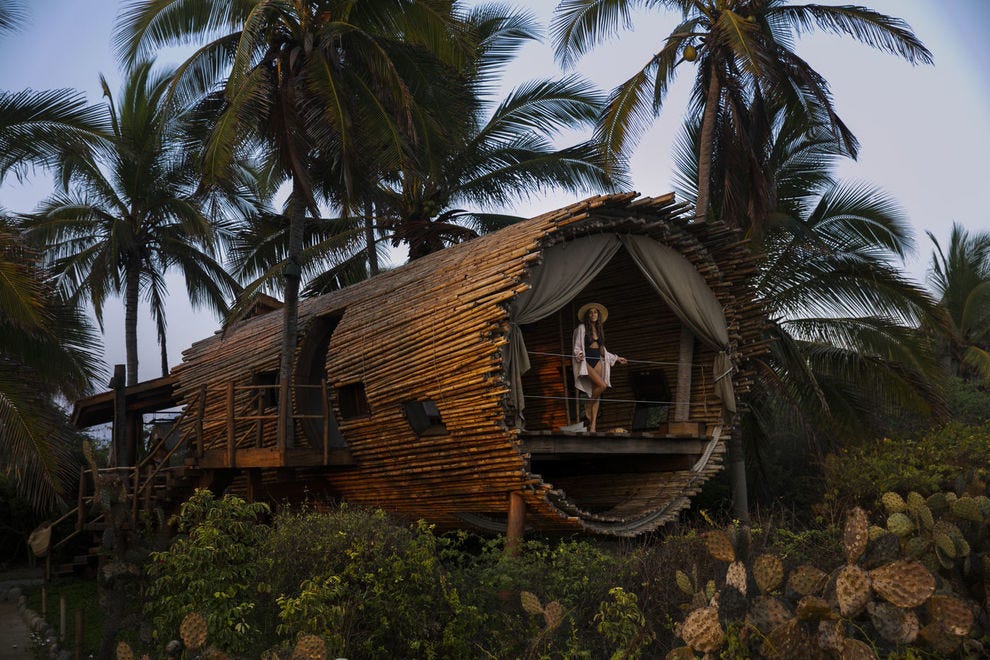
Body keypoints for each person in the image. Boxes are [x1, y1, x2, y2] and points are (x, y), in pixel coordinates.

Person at [572, 303, 627, 432]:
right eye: (591, 313)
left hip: (597, 359)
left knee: (598, 391)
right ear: (587, 316)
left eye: (595, 312)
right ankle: (588, 403)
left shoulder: (599, 329)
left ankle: (593, 426)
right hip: (587, 360)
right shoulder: (581, 328)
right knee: (602, 385)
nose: (593, 315)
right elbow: (577, 346)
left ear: (598, 315)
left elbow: (602, 350)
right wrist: (579, 355)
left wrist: (617, 358)